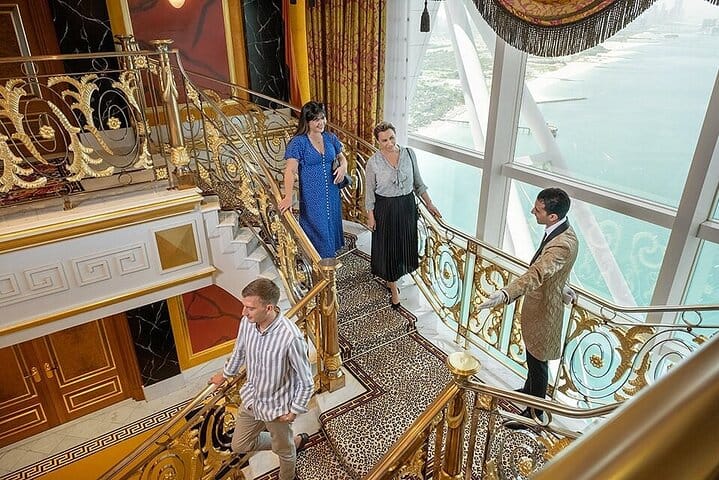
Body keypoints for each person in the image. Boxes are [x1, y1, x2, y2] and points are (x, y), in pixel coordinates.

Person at [477, 187, 578, 424]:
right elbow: (554, 269)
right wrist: (561, 284)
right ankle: (529, 390)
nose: (533, 211)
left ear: (553, 216)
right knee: (532, 356)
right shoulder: (561, 230)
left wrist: (505, 293)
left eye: (538, 210)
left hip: (545, 310)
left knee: (538, 362)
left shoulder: (562, 244)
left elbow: (538, 273)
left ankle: (534, 414)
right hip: (540, 305)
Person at [210, 278, 314, 480]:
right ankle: (292, 442)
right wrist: (225, 375)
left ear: (269, 308)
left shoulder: (290, 338)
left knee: (285, 453)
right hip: (252, 399)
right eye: (244, 306)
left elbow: (306, 380)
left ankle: (287, 475)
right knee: (239, 444)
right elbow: (239, 352)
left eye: (250, 308)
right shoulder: (247, 323)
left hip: (277, 408)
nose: (244, 312)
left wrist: (294, 411)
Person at [365, 121, 441, 309]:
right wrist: (370, 215)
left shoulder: (409, 154)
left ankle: (393, 278)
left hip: (407, 207)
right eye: (384, 140)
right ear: (377, 141)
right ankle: (393, 289)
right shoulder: (373, 162)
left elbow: (418, 183)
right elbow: (369, 193)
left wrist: (429, 203)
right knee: (388, 249)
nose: (389, 143)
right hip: (385, 208)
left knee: (403, 246)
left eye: (392, 138)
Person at [278, 101, 348, 258]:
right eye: (316, 119)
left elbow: (342, 158)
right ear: (307, 121)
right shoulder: (298, 142)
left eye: (322, 118)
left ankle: (328, 260)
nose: (321, 123)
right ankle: (321, 263)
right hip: (312, 196)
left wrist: (343, 167)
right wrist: (288, 197)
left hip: (332, 192)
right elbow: (290, 170)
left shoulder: (330, 138)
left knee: (331, 223)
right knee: (318, 227)